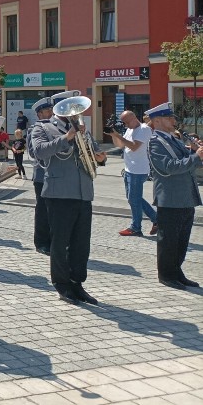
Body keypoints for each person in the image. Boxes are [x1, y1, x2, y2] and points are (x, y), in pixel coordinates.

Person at [30, 90, 106, 306]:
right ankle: (62, 285)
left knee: (81, 243)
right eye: (68, 108)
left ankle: (77, 283)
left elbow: (95, 153)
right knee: (61, 242)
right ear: (57, 108)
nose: (74, 112)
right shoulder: (43, 127)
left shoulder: (83, 128)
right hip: (59, 194)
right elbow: (38, 152)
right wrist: (67, 137)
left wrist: (101, 157)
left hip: (84, 193)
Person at [145, 103, 202, 289]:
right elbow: (169, 167)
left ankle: (176, 271)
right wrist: (196, 156)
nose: (174, 121)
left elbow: (188, 162)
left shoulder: (175, 139)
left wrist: (195, 151)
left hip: (185, 196)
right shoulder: (155, 142)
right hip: (170, 198)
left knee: (181, 240)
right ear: (157, 121)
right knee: (168, 240)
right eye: (170, 118)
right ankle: (166, 275)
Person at [109, 110, 157, 237]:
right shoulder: (130, 129)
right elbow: (121, 145)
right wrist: (114, 135)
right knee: (133, 199)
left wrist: (119, 136)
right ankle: (157, 220)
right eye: (123, 123)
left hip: (138, 170)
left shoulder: (144, 129)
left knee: (134, 199)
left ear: (134, 118)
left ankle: (136, 227)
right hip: (129, 169)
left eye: (126, 122)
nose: (125, 125)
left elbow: (134, 146)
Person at [27, 97, 53, 255]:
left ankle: (53, 240)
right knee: (43, 210)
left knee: (54, 211)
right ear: (39, 114)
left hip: (56, 176)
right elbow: (32, 152)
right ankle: (41, 242)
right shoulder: (34, 130)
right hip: (41, 176)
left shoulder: (56, 127)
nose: (50, 113)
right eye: (47, 111)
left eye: (51, 110)